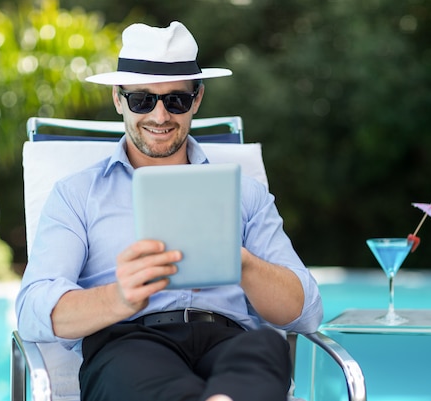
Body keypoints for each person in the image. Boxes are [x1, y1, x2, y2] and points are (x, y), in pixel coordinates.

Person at [16, 21, 323, 401]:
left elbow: (306, 313)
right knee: (129, 365)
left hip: (229, 340)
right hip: (129, 340)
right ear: (118, 99)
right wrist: (120, 298)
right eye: (142, 99)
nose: (160, 116)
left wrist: (240, 262)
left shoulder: (244, 193)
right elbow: (32, 310)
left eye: (176, 100)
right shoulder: (77, 195)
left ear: (196, 99)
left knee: (265, 347)